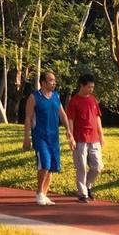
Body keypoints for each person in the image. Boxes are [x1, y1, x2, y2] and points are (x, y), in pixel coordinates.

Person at [23, 71, 75, 205]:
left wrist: (69, 131)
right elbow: (28, 118)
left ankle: (44, 194)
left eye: (54, 80)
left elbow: (62, 114)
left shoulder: (56, 97)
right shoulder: (34, 97)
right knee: (44, 163)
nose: (54, 83)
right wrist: (26, 137)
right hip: (40, 137)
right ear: (43, 83)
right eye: (51, 80)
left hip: (54, 138)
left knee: (52, 166)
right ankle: (39, 192)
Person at [66, 73, 104, 202]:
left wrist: (101, 134)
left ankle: (87, 186)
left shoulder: (93, 100)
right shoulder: (74, 101)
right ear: (81, 85)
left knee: (98, 167)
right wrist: (70, 137)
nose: (91, 89)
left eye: (92, 87)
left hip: (94, 139)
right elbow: (70, 120)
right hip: (80, 139)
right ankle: (82, 194)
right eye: (89, 87)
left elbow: (97, 117)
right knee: (81, 167)